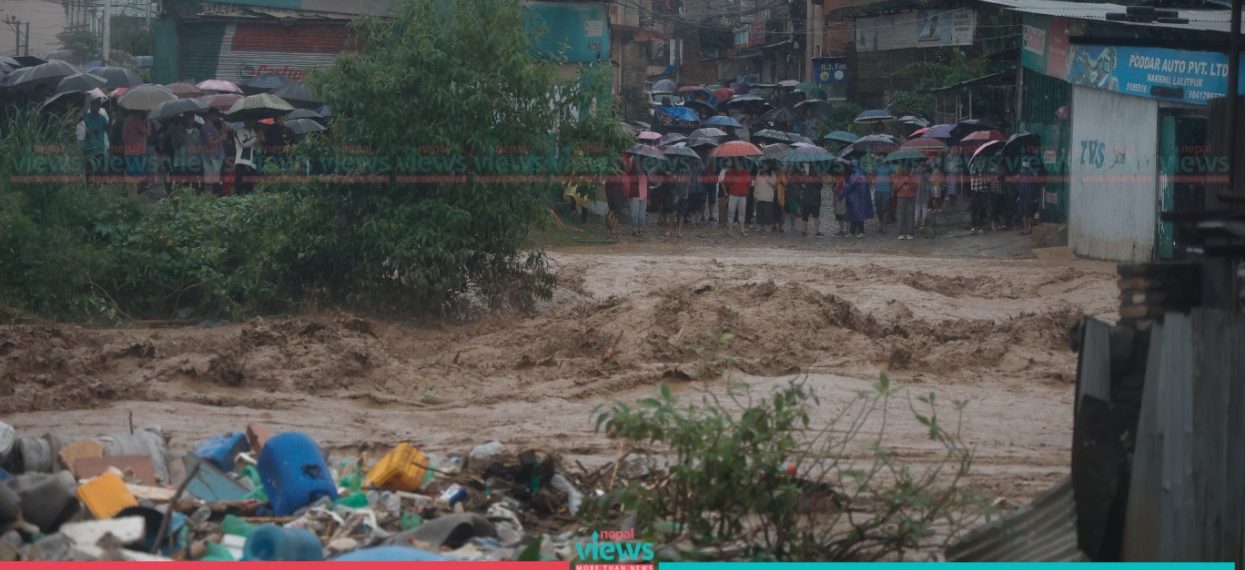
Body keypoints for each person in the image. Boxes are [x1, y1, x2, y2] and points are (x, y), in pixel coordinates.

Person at [76, 98, 109, 177]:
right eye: (93, 105)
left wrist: (110, 121)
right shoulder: (85, 118)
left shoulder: (103, 118)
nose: (94, 107)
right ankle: (89, 188)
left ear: (99, 106)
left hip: (100, 149)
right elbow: (81, 134)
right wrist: (88, 131)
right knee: (89, 173)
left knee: (100, 173)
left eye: (97, 105)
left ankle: (98, 188)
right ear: (90, 106)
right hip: (89, 150)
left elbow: (108, 131)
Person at [200, 109, 229, 195]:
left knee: (214, 180)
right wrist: (222, 137)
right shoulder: (207, 126)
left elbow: (222, 136)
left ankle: (211, 198)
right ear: (209, 115)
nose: (216, 116)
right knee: (209, 181)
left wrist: (223, 131)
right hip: (211, 157)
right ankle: (207, 198)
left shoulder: (214, 126)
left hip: (217, 156)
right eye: (215, 114)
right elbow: (210, 143)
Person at [122, 109, 150, 194]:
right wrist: (148, 121)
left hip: (128, 151)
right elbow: (148, 133)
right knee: (136, 177)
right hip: (138, 152)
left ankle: (131, 196)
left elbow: (123, 136)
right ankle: (134, 197)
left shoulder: (127, 120)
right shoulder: (138, 120)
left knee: (130, 175)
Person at [172, 113, 202, 190]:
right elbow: (175, 145)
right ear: (184, 120)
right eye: (187, 118)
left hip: (194, 161)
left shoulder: (197, 131)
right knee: (183, 183)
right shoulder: (179, 131)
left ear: (193, 120)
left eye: (190, 118)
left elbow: (199, 146)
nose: (189, 120)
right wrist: (179, 136)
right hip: (182, 161)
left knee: (194, 182)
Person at [844, 160, 873, 238]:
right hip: (860, 198)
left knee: (857, 215)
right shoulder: (862, 173)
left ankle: (859, 231)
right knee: (857, 215)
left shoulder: (855, 176)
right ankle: (854, 231)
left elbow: (849, 187)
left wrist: (842, 194)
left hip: (856, 198)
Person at [233, 118, 263, 195]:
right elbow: (244, 144)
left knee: (249, 186)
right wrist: (256, 138)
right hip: (241, 161)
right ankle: (236, 201)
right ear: (245, 121)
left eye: (253, 121)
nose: (252, 123)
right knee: (239, 185)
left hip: (252, 163)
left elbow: (257, 149)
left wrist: (260, 140)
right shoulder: (239, 131)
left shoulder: (253, 132)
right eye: (250, 120)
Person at [722, 160, 751, 236]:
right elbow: (726, 182)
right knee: (731, 212)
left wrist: (746, 191)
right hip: (733, 194)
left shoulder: (746, 173)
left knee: (742, 213)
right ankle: (730, 229)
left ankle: (742, 229)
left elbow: (749, 183)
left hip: (742, 195)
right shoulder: (730, 172)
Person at [605, 156, 630, 236]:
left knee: (612, 210)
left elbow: (606, 186)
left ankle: (609, 217)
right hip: (619, 195)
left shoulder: (610, 174)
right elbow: (626, 186)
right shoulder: (623, 175)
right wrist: (626, 196)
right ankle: (614, 230)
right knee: (618, 214)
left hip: (610, 195)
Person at [1017, 157, 1042, 236]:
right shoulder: (1029, 173)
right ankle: (1028, 228)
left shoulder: (1024, 173)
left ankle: (1027, 229)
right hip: (1027, 197)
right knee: (1028, 214)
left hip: (1027, 197)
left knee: (1026, 214)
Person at [752, 161, 778, 232]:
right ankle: (759, 225)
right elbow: (756, 183)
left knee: (767, 212)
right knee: (759, 211)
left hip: (768, 197)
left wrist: (766, 176)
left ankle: (768, 226)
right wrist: (755, 193)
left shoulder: (772, 173)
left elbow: (773, 183)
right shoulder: (759, 172)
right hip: (760, 196)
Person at [895, 162, 918, 240]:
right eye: (905, 169)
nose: (906, 170)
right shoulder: (898, 177)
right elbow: (895, 188)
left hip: (910, 198)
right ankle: (900, 233)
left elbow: (915, 188)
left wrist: (909, 182)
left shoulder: (913, 177)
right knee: (901, 215)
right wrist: (902, 183)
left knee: (910, 215)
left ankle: (910, 233)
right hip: (901, 198)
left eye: (908, 169)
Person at [627, 157, 649, 236]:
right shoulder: (633, 174)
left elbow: (648, 186)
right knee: (634, 214)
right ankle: (634, 229)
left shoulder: (646, 174)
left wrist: (648, 197)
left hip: (644, 196)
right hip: (635, 196)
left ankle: (640, 229)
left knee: (642, 214)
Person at [968, 158, 991, 234]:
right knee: (974, 209)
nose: (980, 161)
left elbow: (986, 178)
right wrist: (981, 174)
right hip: (975, 190)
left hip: (983, 190)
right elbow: (974, 175)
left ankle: (981, 226)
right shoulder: (972, 166)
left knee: (981, 209)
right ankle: (973, 226)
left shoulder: (985, 166)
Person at [801, 164, 824, 237]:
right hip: (816, 198)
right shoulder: (818, 178)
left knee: (805, 216)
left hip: (806, 198)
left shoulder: (805, 177)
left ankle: (804, 231)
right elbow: (820, 187)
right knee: (816, 216)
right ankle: (817, 231)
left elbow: (803, 186)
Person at [873, 157, 894, 234]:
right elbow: (872, 173)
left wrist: (892, 190)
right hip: (878, 190)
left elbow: (892, 179)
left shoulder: (890, 167)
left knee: (885, 209)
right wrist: (874, 162)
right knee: (878, 210)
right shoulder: (877, 167)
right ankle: (881, 224)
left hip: (886, 190)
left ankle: (884, 226)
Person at [915, 158, 933, 231]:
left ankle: (922, 223)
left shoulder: (928, 172)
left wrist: (925, 173)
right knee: (917, 208)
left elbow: (930, 181)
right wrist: (920, 172)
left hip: (925, 191)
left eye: (924, 162)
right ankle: (916, 223)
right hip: (917, 191)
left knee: (924, 208)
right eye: (921, 162)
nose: (922, 164)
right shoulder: (916, 171)